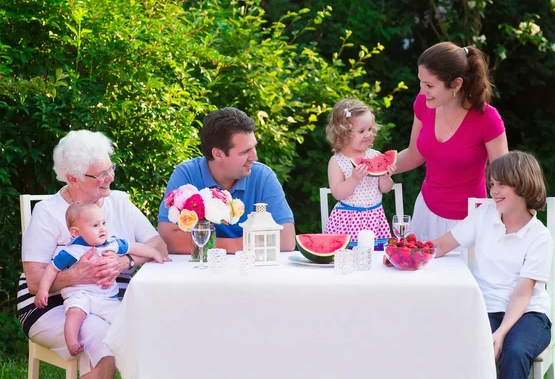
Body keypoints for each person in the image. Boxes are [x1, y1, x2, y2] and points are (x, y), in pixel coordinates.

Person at [19, 130, 168, 378]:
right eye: (100, 174)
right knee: (104, 338)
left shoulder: (119, 202)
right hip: (50, 304)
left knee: (155, 327)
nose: (110, 177)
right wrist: (77, 275)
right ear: (73, 179)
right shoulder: (48, 212)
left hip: (109, 298)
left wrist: (124, 262)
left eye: (110, 169)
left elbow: (159, 246)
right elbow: (35, 282)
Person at [434, 151, 552, 379]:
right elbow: (441, 245)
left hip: (529, 314)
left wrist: (500, 334)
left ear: (523, 184)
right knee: (468, 348)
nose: (493, 191)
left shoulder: (539, 236)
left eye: (501, 185)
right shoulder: (485, 215)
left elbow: (521, 295)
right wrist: (407, 252)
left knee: (515, 351)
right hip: (486, 308)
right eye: (491, 184)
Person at [393, 41, 508, 241]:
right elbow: (414, 155)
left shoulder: (488, 119)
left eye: (429, 85)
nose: (421, 91)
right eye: (420, 82)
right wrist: (370, 168)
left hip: (469, 221)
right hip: (425, 212)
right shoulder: (423, 104)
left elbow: (505, 178)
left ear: (456, 84)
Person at [34, 202, 165, 357]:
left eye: (103, 223)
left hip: (107, 297)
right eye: (95, 225)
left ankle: (131, 351)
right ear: (76, 232)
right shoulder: (72, 251)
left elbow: (135, 247)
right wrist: (43, 289)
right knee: (75, 312)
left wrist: (155, 254)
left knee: (123, 318)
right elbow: (52, 269)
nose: (102, 228)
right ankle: (72, 342)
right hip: (80, 294)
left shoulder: (112, 244)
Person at [158, 107, 296, 254]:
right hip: (199, 271)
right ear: (218, 154)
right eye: (244, 152)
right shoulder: (187, 175)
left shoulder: (263, 177)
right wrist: (234, 246)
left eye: (254, 148)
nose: (254, 157)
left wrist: (209, 244)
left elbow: (286, 240)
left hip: (251, 271)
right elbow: (167, 238)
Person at [323, 98, 394, 248]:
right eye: (362, 131)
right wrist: (354, 179)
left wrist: (386, 177)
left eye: (370, 129)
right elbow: (338, 193)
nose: (368, 134)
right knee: (349, 260)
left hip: (375, 219)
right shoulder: (337, 161)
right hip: (347, 221)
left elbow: (385, 189)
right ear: (343, 133)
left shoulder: (375, 155)